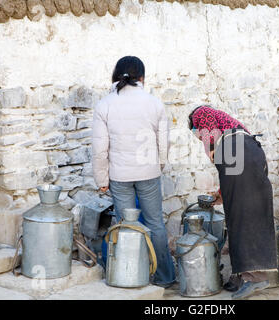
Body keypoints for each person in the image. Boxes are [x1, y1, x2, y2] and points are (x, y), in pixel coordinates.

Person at [92, 56, 176, 288]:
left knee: (124, 224)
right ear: (141, 77)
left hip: (119, 176)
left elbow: (100, 149)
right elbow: (164, 142)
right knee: (155, 223)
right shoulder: (154, 103)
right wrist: (157, 165)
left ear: (116, 75)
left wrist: (101, 178)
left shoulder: (105, 105)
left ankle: (123, 274)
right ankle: (165, 277)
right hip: (148, 173)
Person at [188, 105, 277, 299]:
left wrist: (211, 150)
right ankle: (242, 274)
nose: (199, 135)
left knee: (242, 216)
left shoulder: (200, 114)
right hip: (252, 155)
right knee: (246, 212)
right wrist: (222, 194)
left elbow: (209, 129)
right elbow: (238, 176)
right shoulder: (235, 132)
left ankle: (254, 278)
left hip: (238, 155)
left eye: (197, 132)